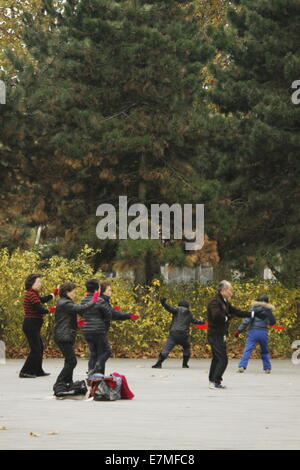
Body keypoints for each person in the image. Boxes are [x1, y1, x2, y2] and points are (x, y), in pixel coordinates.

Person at [207, 280, 267, 389]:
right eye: (230, 290)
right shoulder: (215, 302)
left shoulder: (224, 301)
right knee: (223, 359)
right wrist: (226, 317)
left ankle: (212, 379)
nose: (231, 292)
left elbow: (237, 312)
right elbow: (216, 316)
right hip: (215, 334)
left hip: (220, 334)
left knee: (217, 358)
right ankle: (216, 382)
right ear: (223, 290)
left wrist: (254, 314)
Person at [53, 282, 99, 388]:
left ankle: (68, 382)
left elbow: (66, 318)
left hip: (64, 334)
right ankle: (59, 383)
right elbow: (80, 309)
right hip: (63, 336)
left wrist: (77, 323)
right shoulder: (65, 303)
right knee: (72, 361)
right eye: (73, 292)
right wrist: (94, 300)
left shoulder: (65, 302)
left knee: (69, 361)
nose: (75, 293)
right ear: (66, 292)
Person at [19, 274, 58, 378]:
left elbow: (42, 300)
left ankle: (38, 370)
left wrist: (54, 294)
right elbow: (39, 309)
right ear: (31, 284)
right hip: (30, 325)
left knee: (40, 348)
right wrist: (51, 309)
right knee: (35, 349)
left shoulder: (34, 294)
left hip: (33, 325)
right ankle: (24, 371)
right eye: (38, 282)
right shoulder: (30, 294)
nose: (40, 284)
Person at [97, 281, 138, 375]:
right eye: (109, 290)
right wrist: (129, 315)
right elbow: (112, 314)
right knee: (106, 351)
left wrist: (114, 311)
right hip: (100, 330)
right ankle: (97, 372)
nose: (111, 292)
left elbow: (110, 313)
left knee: (98, 353)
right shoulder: (103, 300)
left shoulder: (102, 300)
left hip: (98, 330)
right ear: (104, 292)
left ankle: (97, 374)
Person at [152, 298, 205, 369]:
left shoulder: (176, 310)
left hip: (173, 334)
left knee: (166, 349)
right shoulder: (189, 313)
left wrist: (163, 303)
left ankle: (158, 364)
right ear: (187, 306)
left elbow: (169, 308)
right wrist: (204, 322)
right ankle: (185, 364)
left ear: (179, 305)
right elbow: (195, 321)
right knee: (186, 347)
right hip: (183, 335)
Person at [235, 294, 276, 373]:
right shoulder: (268, 310)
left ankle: (242, 366)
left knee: (248, 349)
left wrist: (238, 330)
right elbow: (272, 322)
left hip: (253, 332)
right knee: (265, 351)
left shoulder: (253, 309)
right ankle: (267, 368)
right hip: (263, 332)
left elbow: (247, 321)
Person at [80, 279, 112, 375]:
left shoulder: (83, 300)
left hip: (86, 330)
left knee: (93, 352)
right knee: (107, 351)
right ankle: (98, 365)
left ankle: (91, 371)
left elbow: (81, 313)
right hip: (98, 330)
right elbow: (108, 315)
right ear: (96, 289)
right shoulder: (100, 300)